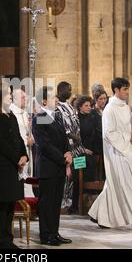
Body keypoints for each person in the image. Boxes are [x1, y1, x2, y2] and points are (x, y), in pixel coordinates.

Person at [88, 78, 132, 230]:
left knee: (114, 185)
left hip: (128, 151)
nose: (128, 92)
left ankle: (100, 215)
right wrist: (129, 137)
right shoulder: (110, 108)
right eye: (125, 89)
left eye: (128, 89)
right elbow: (109, 133)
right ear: (116, 90)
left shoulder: (127, 107)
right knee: (128, 185)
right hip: (117, 152)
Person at [0, 82, 27, 249]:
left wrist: (24, 155)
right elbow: (0, 143)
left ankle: (8, 238)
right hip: (3, 165)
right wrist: (15, 158)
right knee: (3, 203)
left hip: (14, 165)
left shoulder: (10, 114)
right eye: (7, 94)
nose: (10, 96)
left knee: (11, 202)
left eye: (10, 93)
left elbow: (18, 137)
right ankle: (1, 240)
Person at [32, 86, 73, 247]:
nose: (56, 99)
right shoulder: (40, 117)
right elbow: (45, 145)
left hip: (59, 166)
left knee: (56, 203)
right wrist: (63, 159)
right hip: (48, 166)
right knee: (47, 203)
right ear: (43, 101)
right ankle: (46, 234)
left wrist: (68, 153)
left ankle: (54, 232)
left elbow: (65, 139)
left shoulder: (56, 116)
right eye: (51, 97)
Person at [54, 82, 85, 214]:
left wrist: (78, 136)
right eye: (68, 89)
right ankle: (64, 202)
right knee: (69, 176)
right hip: (68, 147)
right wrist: (73, 136)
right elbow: (62, 127)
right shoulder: (58, 108)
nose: (70, 91)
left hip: (78, 148)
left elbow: (76, 123)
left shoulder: (71, 106)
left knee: (79, 175)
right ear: (60, 91)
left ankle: (76, 203)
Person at [11, 89, 35, 198]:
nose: (26, 100)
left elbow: (28, 131)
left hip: (28, 149)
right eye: (23, 98)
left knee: (29, 176)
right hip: (20, 150)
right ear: (15, 99)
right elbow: (15, 134)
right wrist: (26, 140)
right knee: (22, 176)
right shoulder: (12, 113)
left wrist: (32, 138)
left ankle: (29, 201)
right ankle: (23, 202)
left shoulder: (24, 113)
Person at [77, 96, 99, 182]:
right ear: (80, 107)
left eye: (90, 105)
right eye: (86, 105)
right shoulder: (76, 118)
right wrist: (82, 149)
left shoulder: (92, 117)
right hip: (79, 152)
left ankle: (90, 194)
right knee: (80, 178)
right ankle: (79, 194)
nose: (89, 107)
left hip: (92, 151)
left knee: (91, 177)